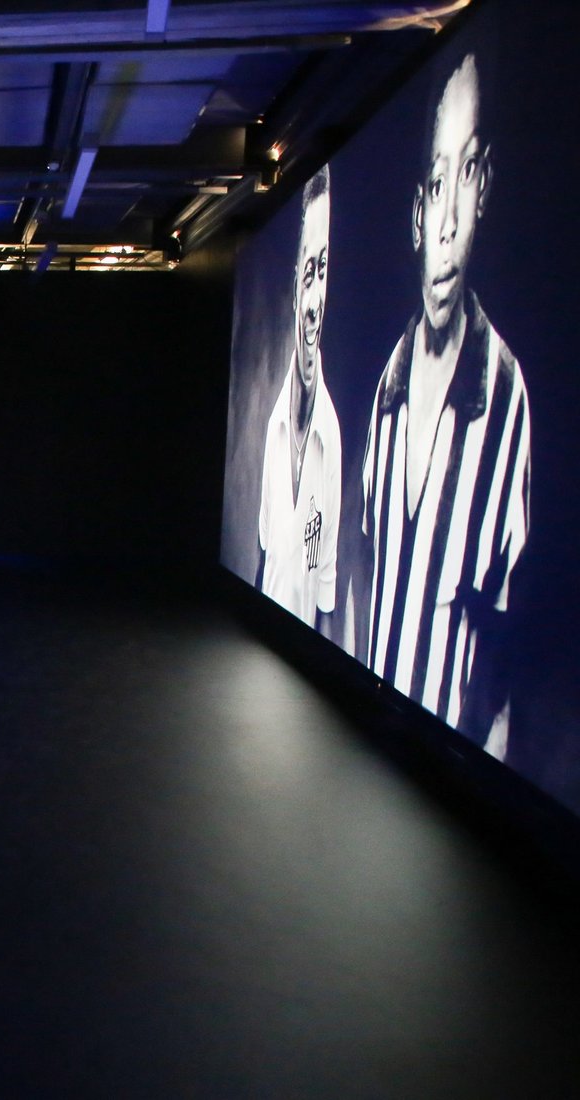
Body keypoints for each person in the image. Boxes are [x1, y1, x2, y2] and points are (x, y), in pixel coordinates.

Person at [360, 51, 530, 760]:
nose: (451, 219)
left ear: (485, 185)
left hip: (439, 766)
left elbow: (501, 665)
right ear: (417, 209)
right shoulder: (387, 388)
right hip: (363, 739)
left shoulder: (505, 398)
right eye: (437, 181)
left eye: (467, 173)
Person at [257, 165, 340, 636]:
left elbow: (325, 590)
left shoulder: (332, 439)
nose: (314, 301)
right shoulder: (273, 428)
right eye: (309, 273)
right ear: (293, 286)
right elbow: (266, 548)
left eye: (323, 271)